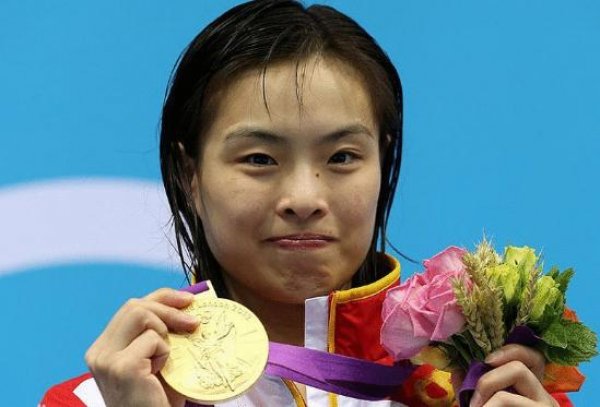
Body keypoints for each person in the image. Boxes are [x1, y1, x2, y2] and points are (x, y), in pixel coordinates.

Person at [41, 1, 575, 406]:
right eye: (259, 159)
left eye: (342, 157)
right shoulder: (98, 400)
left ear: (383, 161)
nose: (303, 198)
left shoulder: (487, 387)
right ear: (190, 176)